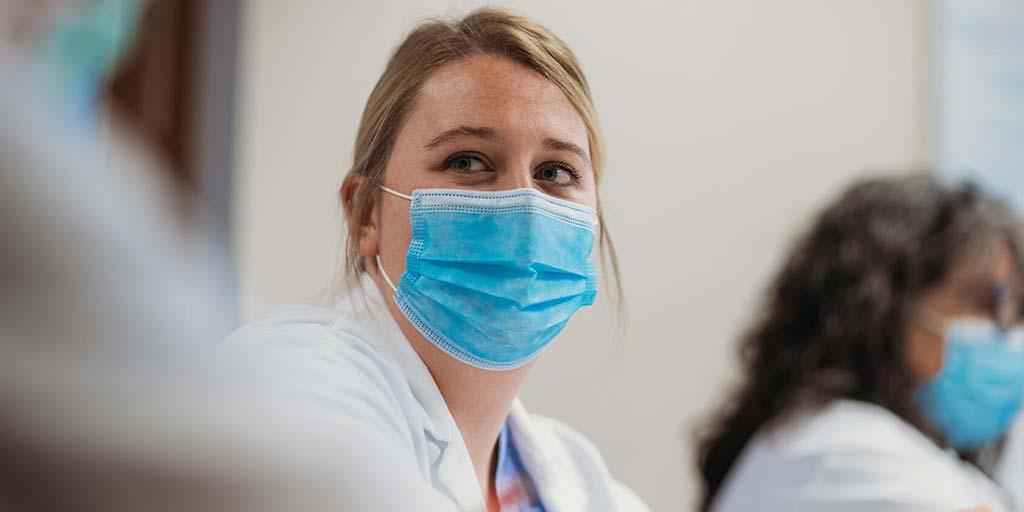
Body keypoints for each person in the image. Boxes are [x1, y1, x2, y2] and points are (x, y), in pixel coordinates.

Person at [222, 7, 646, 512]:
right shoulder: (292, 384)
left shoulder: (580, 480)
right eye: (467, 161)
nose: (525, 208)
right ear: (365, 215)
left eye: (555, 172)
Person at [696, 175, 1024, 511]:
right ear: (884, 306)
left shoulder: (871, 449)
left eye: (1013, 312)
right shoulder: (840, 454)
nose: (1007, 334)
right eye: (984, 303)